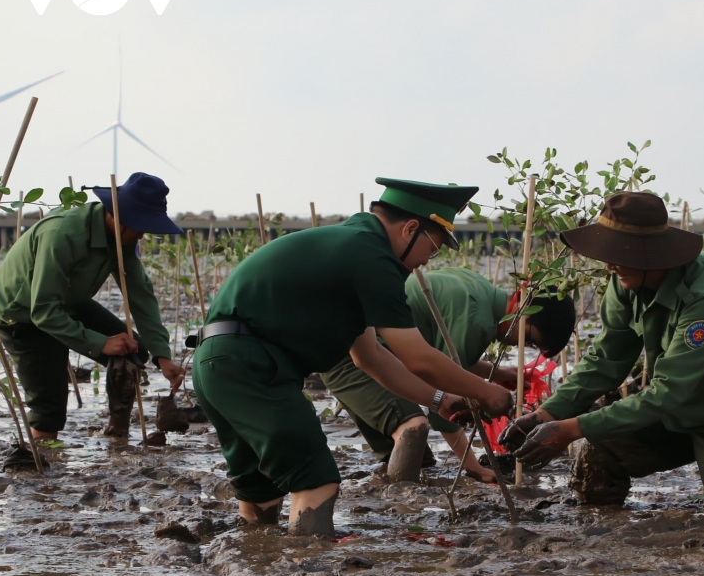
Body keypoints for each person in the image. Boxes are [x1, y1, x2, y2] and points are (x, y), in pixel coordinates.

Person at [191, 178, 513, 538]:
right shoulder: (373, 255)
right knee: (316, 479)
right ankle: (306, 566)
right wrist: (487, 392)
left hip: (215, 364)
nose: (426, 260)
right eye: (432, 248)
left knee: (261, 489)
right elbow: (418, 356)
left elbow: (370, 357)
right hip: (252, 365)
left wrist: (441, 400)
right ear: (410, 229)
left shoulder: (350, 247)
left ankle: (254, 561)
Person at [498, 191, 704, 511]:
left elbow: (668, 392)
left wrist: (571, 429)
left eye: (618, 254)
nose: (610, 264)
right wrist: (547, 414)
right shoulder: (626, 281)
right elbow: (607, 359)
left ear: (651, 255)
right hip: (679, 411)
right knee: (598, 456)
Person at [0, 172, 187, 465]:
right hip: (22, 315)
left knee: (132, 351)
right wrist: (100, 343)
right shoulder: (62, 235)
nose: (142, 236)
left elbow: (140, 295)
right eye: (141, 227)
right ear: (119, 217)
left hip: (69, 302)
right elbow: (43, 311)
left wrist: (163, 355)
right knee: (48, 410)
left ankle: (117, 433)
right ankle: (39, 464)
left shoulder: (121, 237)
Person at [319, 267, 575, 484]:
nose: (521, 345)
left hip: (366, 351)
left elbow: (446, 359)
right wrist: (474, 467)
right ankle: (401, 510)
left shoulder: (479, 291)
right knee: (413, 429)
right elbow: (446, 407)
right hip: (353, 358)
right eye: (528, 338)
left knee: (418, 461)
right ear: (522, 305)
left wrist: (497, 373)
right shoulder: (478, 320)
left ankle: (384, 500)